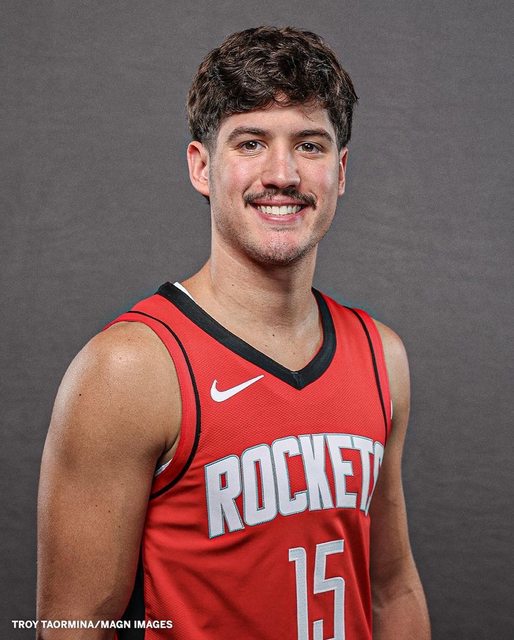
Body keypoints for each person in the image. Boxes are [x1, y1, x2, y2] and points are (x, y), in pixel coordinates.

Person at [37, 26, 431, 640]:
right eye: (251, 142)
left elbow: (392, 588)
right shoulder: (133, 367)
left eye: (309, 145)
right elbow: (72, 625)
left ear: (341, 170)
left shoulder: (382, 356)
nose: (283, 174)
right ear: (202, 167)